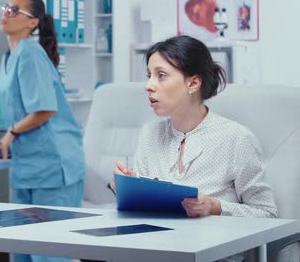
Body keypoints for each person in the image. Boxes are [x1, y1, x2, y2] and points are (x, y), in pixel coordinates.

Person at [110, 35, 277, 220]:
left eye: (161, 75)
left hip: (213, 247)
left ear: (193, 83)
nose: (148, 86)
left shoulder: (237, 139)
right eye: (149, 76)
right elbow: (143, 212)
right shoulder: (150, 134)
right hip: (158, 244)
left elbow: (267, 215)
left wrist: (215, 207)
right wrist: (127, 189)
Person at [0, 0, 86, 262]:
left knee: (50, 253)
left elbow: (45, 108)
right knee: (21, 249)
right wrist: (10, 135)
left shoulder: (30, 51)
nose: (6, 12)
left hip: (55, 165)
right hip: (28, 164)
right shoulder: (7, 57)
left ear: (32, 23)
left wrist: (11, 133)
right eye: (6, 7)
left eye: (14, 9)